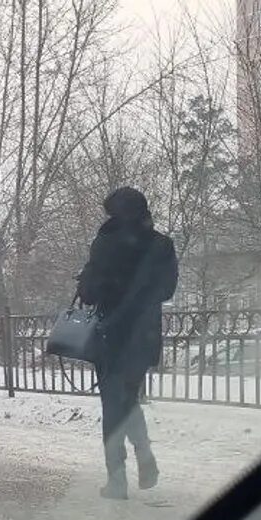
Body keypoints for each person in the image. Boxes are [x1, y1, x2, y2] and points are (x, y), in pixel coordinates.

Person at [77, 186, 178, 500]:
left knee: (113, 405)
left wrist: (89, 280)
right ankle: (145, 458)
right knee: (128, 398)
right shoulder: (162, 244)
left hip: (111, 334)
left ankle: (117, 480)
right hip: (144, 335)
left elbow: (89, 294)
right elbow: (167, 291)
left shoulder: (105, 243)